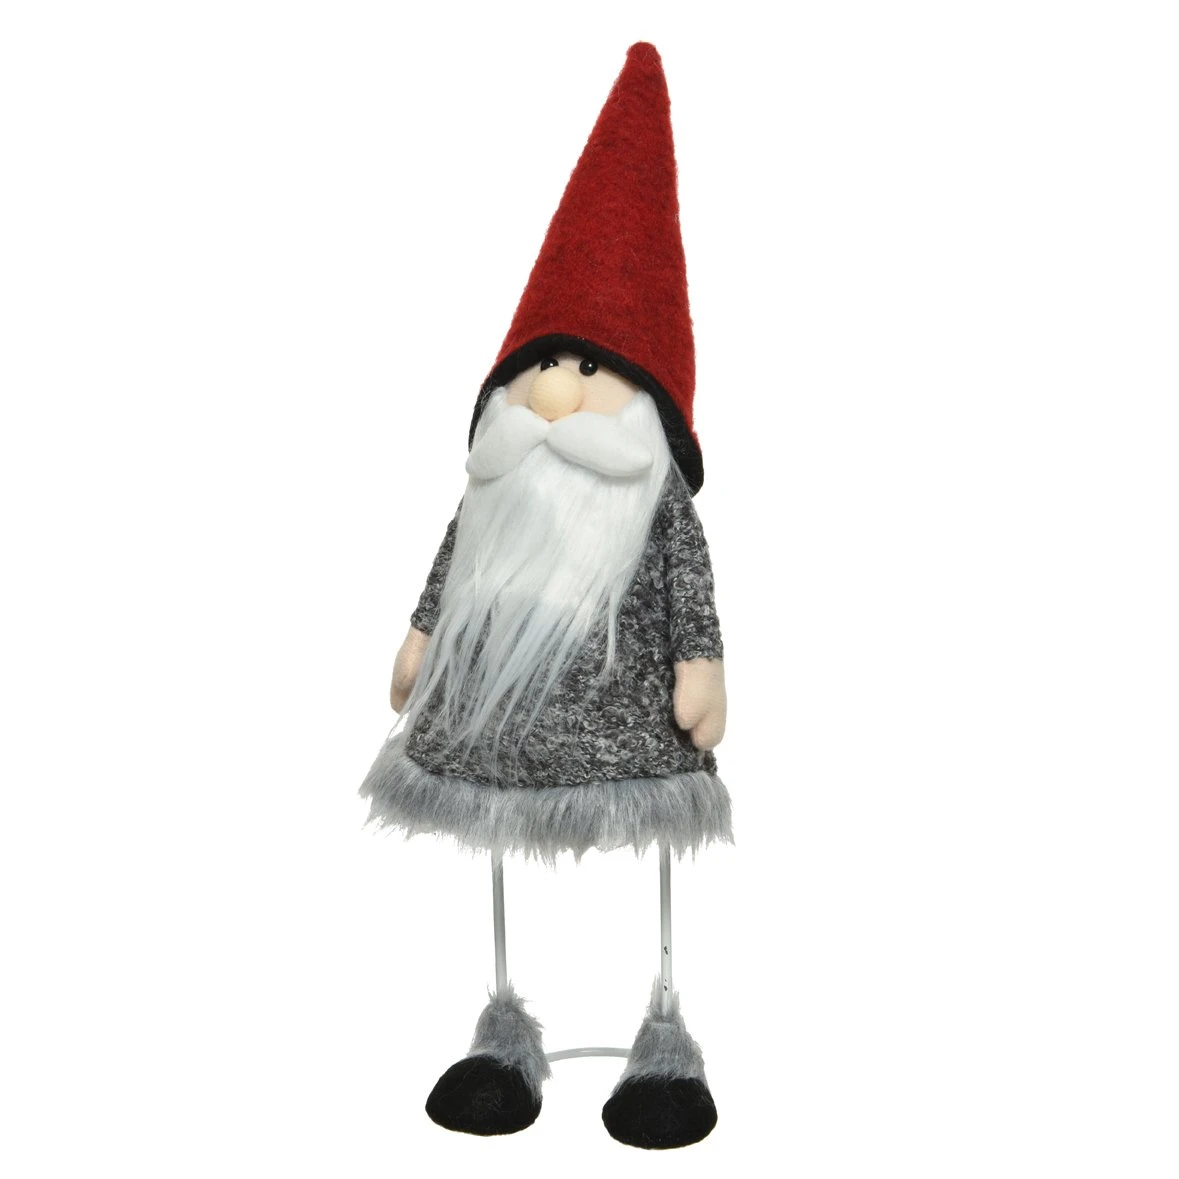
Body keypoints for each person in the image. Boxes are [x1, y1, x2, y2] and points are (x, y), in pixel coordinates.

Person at [360, 43, 731, 1150]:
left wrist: (701, 669)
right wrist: (422, 637)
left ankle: (661, 1040)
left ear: (646, 396)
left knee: (654, 879)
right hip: (491, 727)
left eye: (592, 367)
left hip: (626, 728)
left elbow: (690, 590)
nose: (559, 392)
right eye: (544, 365)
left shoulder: (657, 506)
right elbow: (451, 564)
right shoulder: (496, 486)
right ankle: (501, 1038)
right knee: (495, 882)